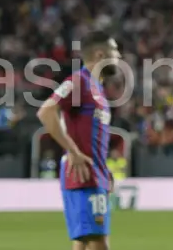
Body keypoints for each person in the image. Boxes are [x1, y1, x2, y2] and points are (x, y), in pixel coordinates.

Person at [37, 31, 121, 250]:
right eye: (115, 51)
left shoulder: (97, 89)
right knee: (98, 241)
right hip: (84, 176)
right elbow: (46, 112)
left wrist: (105, 171)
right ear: (101, 54)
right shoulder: (78, 82)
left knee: (84, 241)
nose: (119, 56)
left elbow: (91, 137)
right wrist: (72, 151)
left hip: (95, 175)